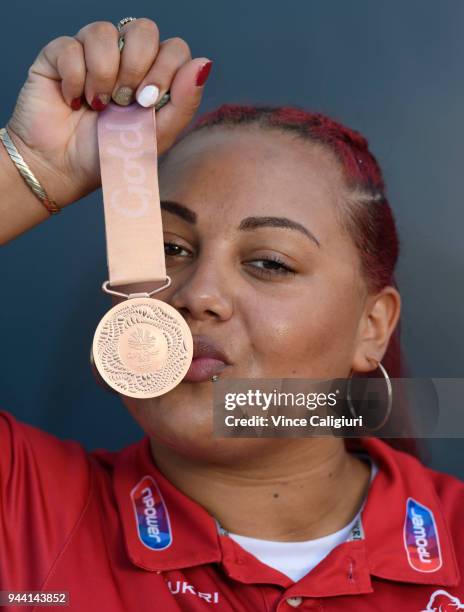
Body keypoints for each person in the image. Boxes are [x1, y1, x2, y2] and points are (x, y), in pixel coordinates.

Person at [0, 16, 463, 612]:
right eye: (170, 249)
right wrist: (35, 165)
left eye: (269, 262)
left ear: (371, 328)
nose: (197, 293)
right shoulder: (23, 507)